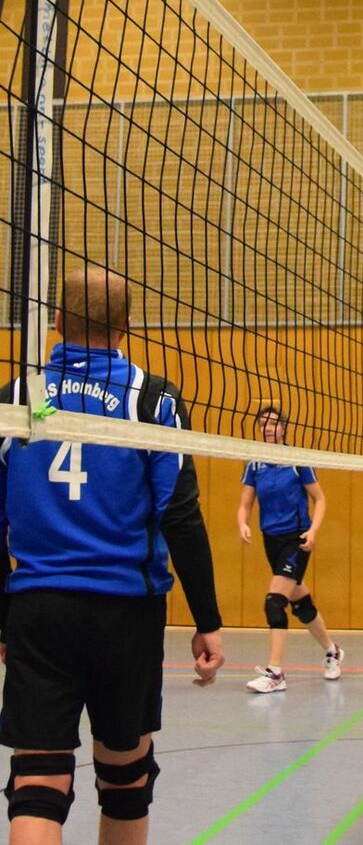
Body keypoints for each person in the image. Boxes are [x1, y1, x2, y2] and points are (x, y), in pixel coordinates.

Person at [0, 266, 226, 845]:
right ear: (126, 329)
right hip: (125, 611)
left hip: (39, 607)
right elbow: (179, 514)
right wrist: (208, 621)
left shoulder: (15, 400)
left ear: (55, 322)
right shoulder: (151, 400)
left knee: (37, 785)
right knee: (127, 778)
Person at [235, 405, 344, 693]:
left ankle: (275, 672)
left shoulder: (297, 460)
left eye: (273, 423)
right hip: (270, 540)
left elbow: (319, 499)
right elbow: (246, 502)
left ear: (284, 428)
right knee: (301, 605)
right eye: (263, 424)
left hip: (297, 539)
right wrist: (242, 523)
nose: (268, 427)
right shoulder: (254, 464)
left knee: (274, 602)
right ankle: (333, 651)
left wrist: (313, 530)